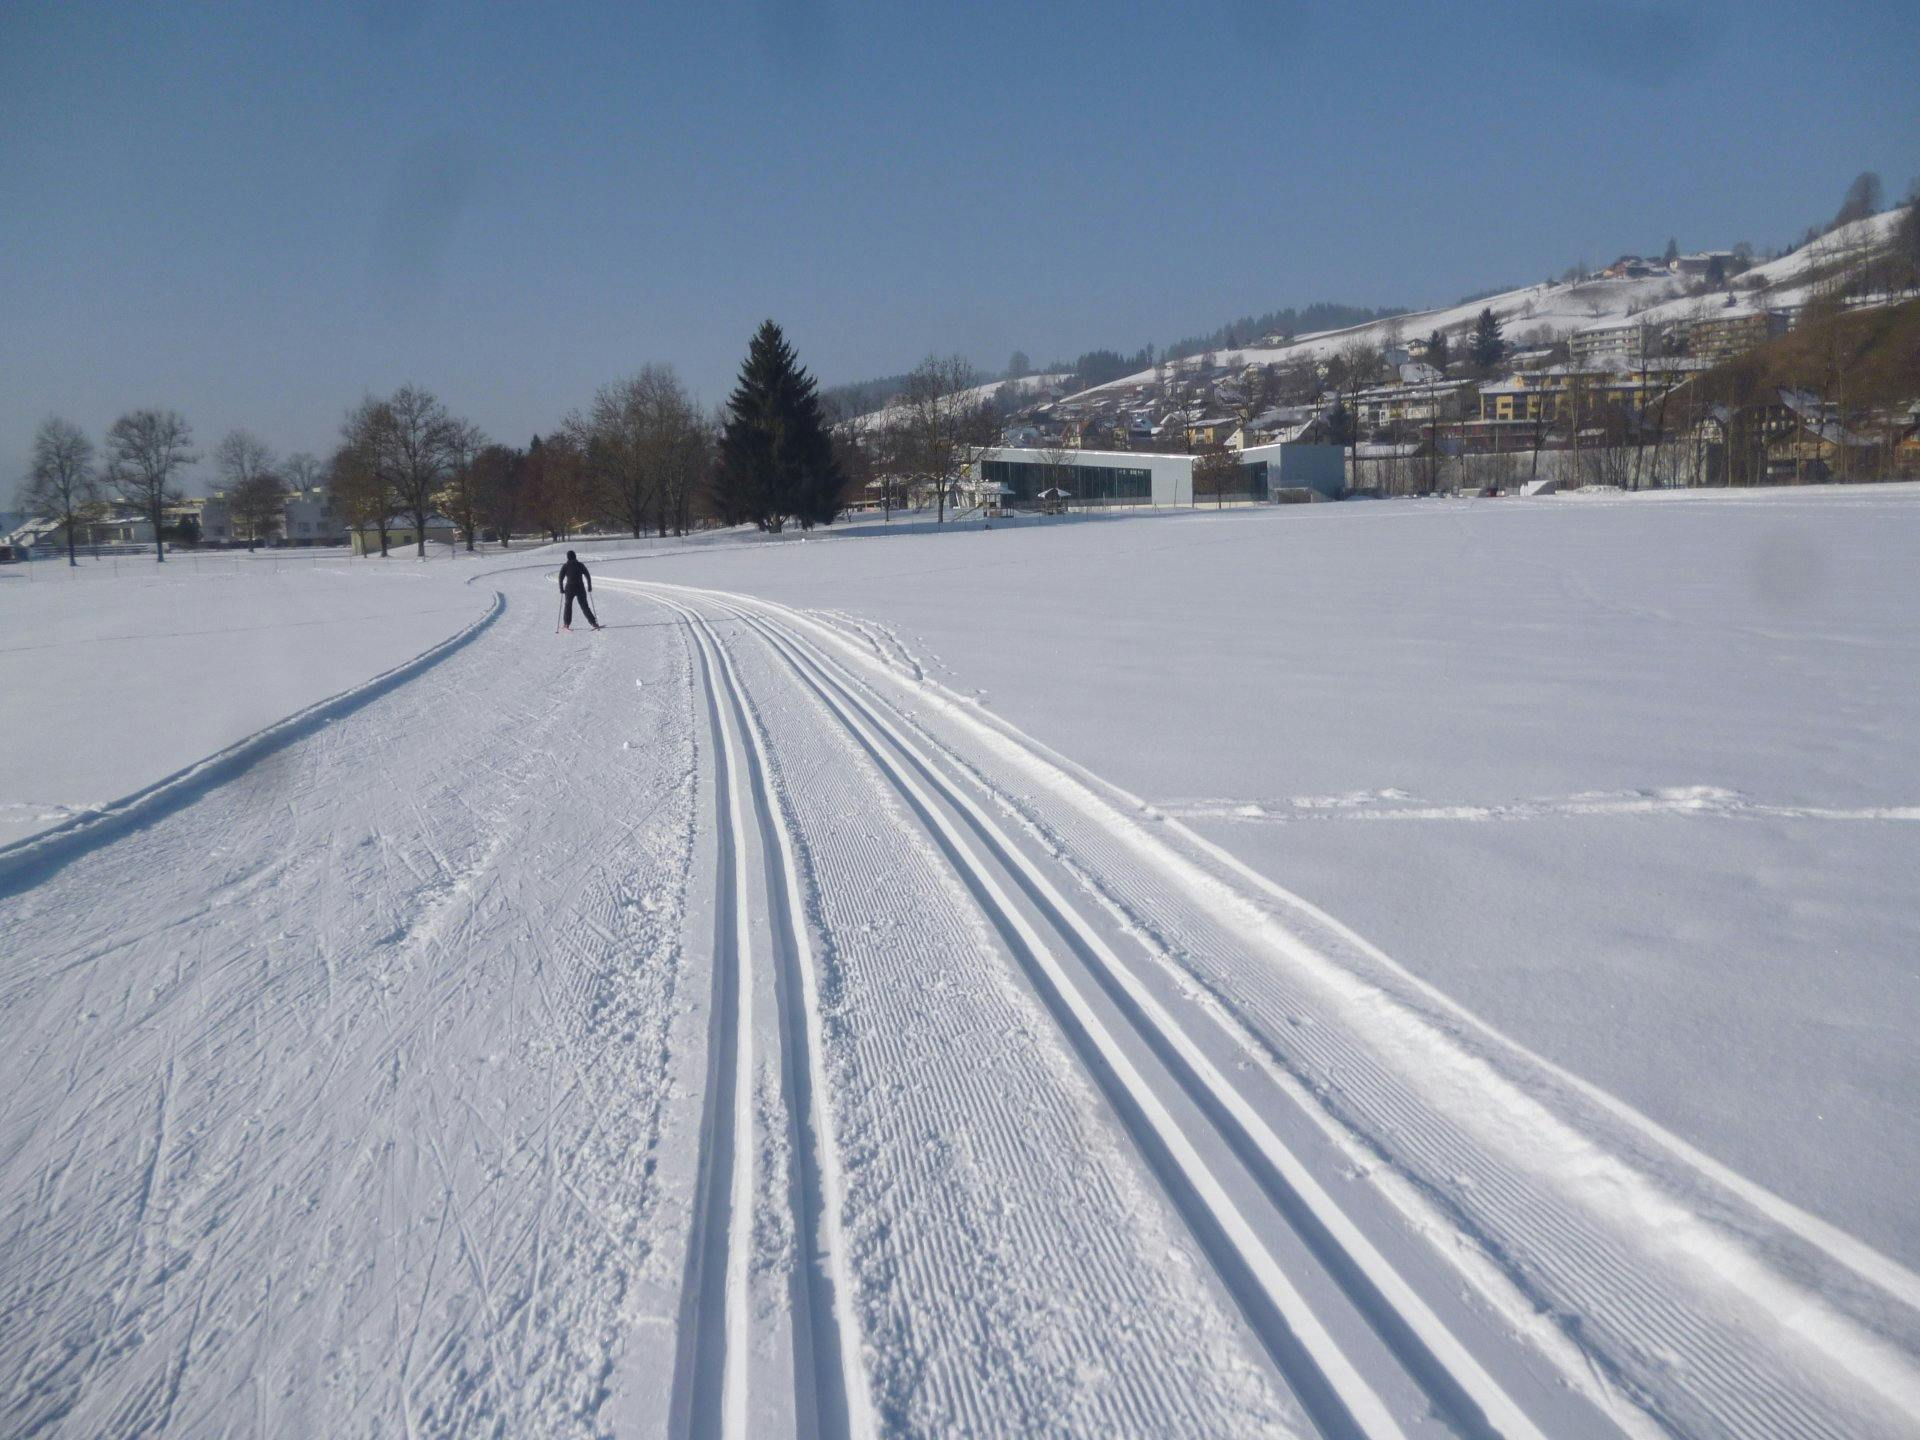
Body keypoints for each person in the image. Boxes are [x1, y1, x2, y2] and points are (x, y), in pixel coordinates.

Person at [557, 550, 601, 631]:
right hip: (580, 587)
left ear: (568, 557)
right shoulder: (580, 565)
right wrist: (589, 586)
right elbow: (587, 575)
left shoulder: (565, 566)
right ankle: (593, 623)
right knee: (584, 606)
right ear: (575, 556)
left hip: (569, 588)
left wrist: (561, 589)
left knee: (568, 606)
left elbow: (560, 578)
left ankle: (566, 624)